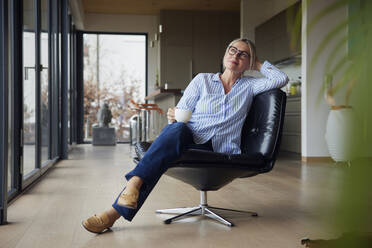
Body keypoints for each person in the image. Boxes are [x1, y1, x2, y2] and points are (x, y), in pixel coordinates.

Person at [82, 38, 289, 234]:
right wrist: (173, 115)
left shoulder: (250, 86)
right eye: (232, 50)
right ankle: (132, 186)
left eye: (243, 54)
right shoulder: (202, 80)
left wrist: (258, 63)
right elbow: (182, 111)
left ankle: (118, 205)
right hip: (190, 135)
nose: (236, 55)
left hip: (220, 148)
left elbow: (281, 78)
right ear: (225, 54)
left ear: (248, 62)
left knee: (159, 158)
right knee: (176, 130)